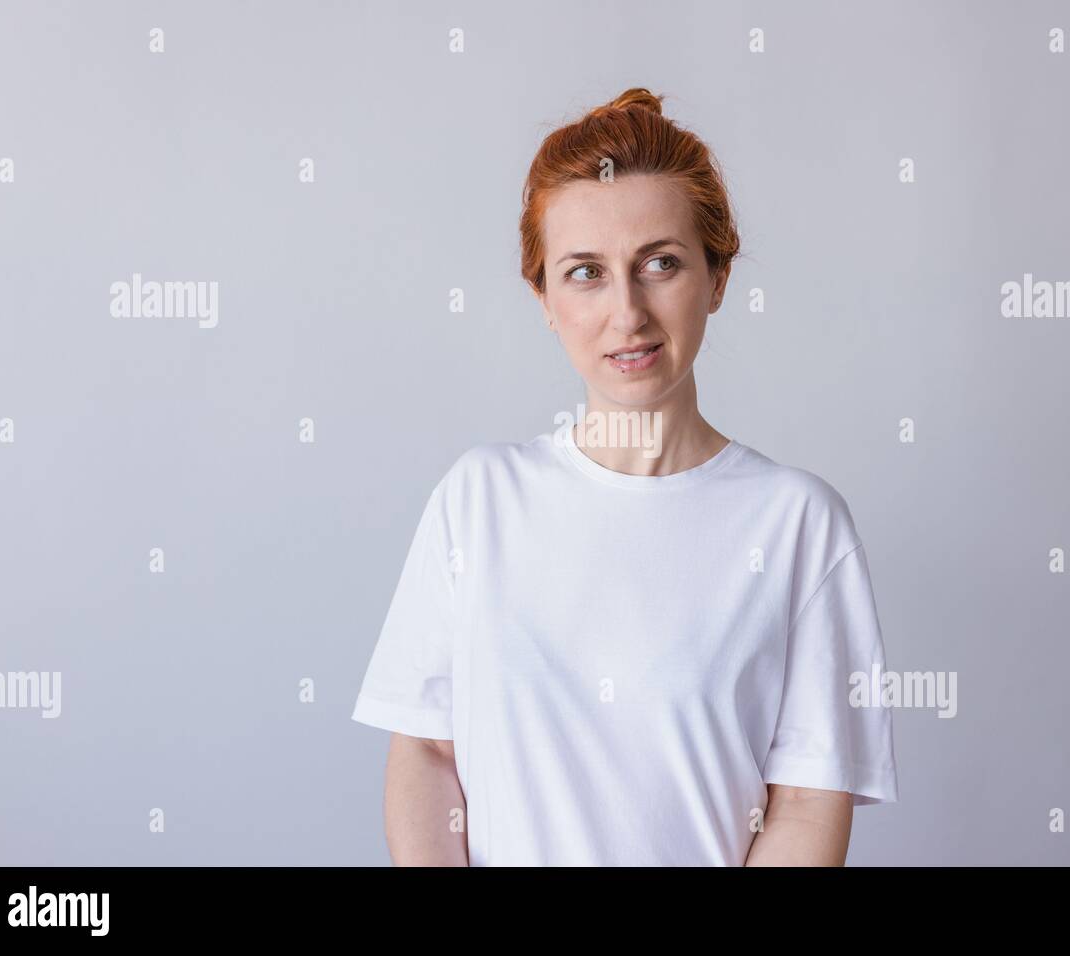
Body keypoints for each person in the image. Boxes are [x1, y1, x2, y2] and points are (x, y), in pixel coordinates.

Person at [352, 87, 898, 866]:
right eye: (585, 273)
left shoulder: (799, 525)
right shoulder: (478, 503)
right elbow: (428, 755)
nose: (628, 312)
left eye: (661, 264)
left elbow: (808, 802)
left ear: (717, 277)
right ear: (542, 296)